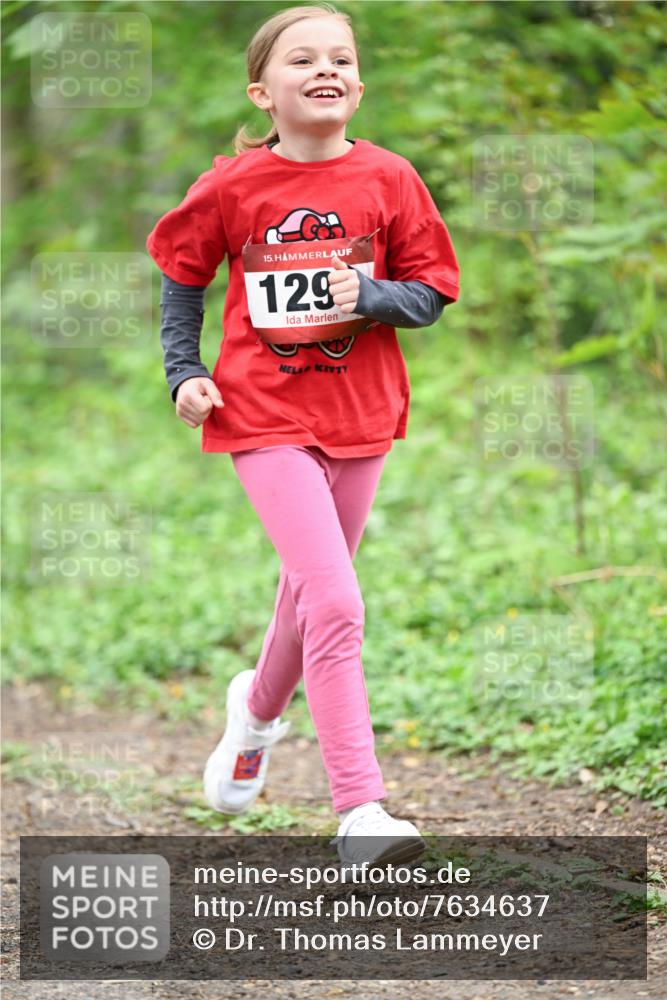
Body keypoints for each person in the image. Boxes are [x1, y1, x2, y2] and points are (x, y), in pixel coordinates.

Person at [146, 3, 460, 869]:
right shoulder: (234, 187)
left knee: (307, 593)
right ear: (263, 90)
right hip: (262, 416)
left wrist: (368, 297)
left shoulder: (391, 179)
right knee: (337, 601)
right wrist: (184, 370)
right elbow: (182, 275)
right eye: (300, 60)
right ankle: (361, 811)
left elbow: (430, 293)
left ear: (358, 84)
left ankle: (253, 714)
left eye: (340, 58)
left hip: (362, 417)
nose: (324, 69)